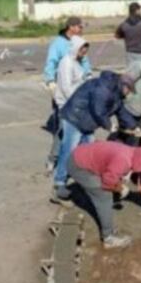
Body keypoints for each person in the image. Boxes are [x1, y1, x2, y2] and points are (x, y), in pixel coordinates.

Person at [67, 141, 141, 248]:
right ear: (140, 163)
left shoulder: (134, 154)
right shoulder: (123, 161)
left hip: (82, 156)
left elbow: (140, 180)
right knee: (104, 197)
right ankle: (108, 238)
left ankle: (62, 193)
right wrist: (120, 189)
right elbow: (108, 183)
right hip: (78, 166)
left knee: (103, 186)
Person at [53, 71, 131, 200]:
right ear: (124, 86)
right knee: (68, 151)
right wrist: (109, 125)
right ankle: (59, 183)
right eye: (129, 90)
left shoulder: (117, 93)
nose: (129, 94)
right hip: (75, 117)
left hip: (87, 122)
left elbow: (121, 111)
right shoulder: (103, 88)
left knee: (88, 155)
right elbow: (98, 110)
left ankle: (83, 180)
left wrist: (133, 126)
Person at [43, 16, 90, 173]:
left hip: (77, 92)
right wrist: (50, 80)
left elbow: (85, 62)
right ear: (71, 27)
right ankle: (53, 159)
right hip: (65, 92)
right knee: (63, 129)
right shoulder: (59, 44)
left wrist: (88, 75)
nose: (81, 29)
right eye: (79, 26)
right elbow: (51, 62)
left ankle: (77, 160)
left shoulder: (79, 43)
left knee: (79, 131)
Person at [55, 35, 90, 109]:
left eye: (85, 52)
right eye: (82, 51)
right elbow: (66, 87)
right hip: (67, 104)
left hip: (76, 101)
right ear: (76, 48)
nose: (83, 55)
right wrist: (78, 102)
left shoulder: (76, 61)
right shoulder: (67, 63)